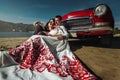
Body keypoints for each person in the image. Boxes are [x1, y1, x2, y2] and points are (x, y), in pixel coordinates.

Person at [0, 16, 99, 80]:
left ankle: (19, 51)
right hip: (47, 39)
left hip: (55, 41)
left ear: (60, 21)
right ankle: (17, 54)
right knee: (36, 38)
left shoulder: (61, 28)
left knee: (37, 38)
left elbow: (66, 35)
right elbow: (42, 28)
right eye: (54, 21)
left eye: (56, 21)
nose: (55, 23)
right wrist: (42, 28)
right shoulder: (50, 29)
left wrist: (61, 36)